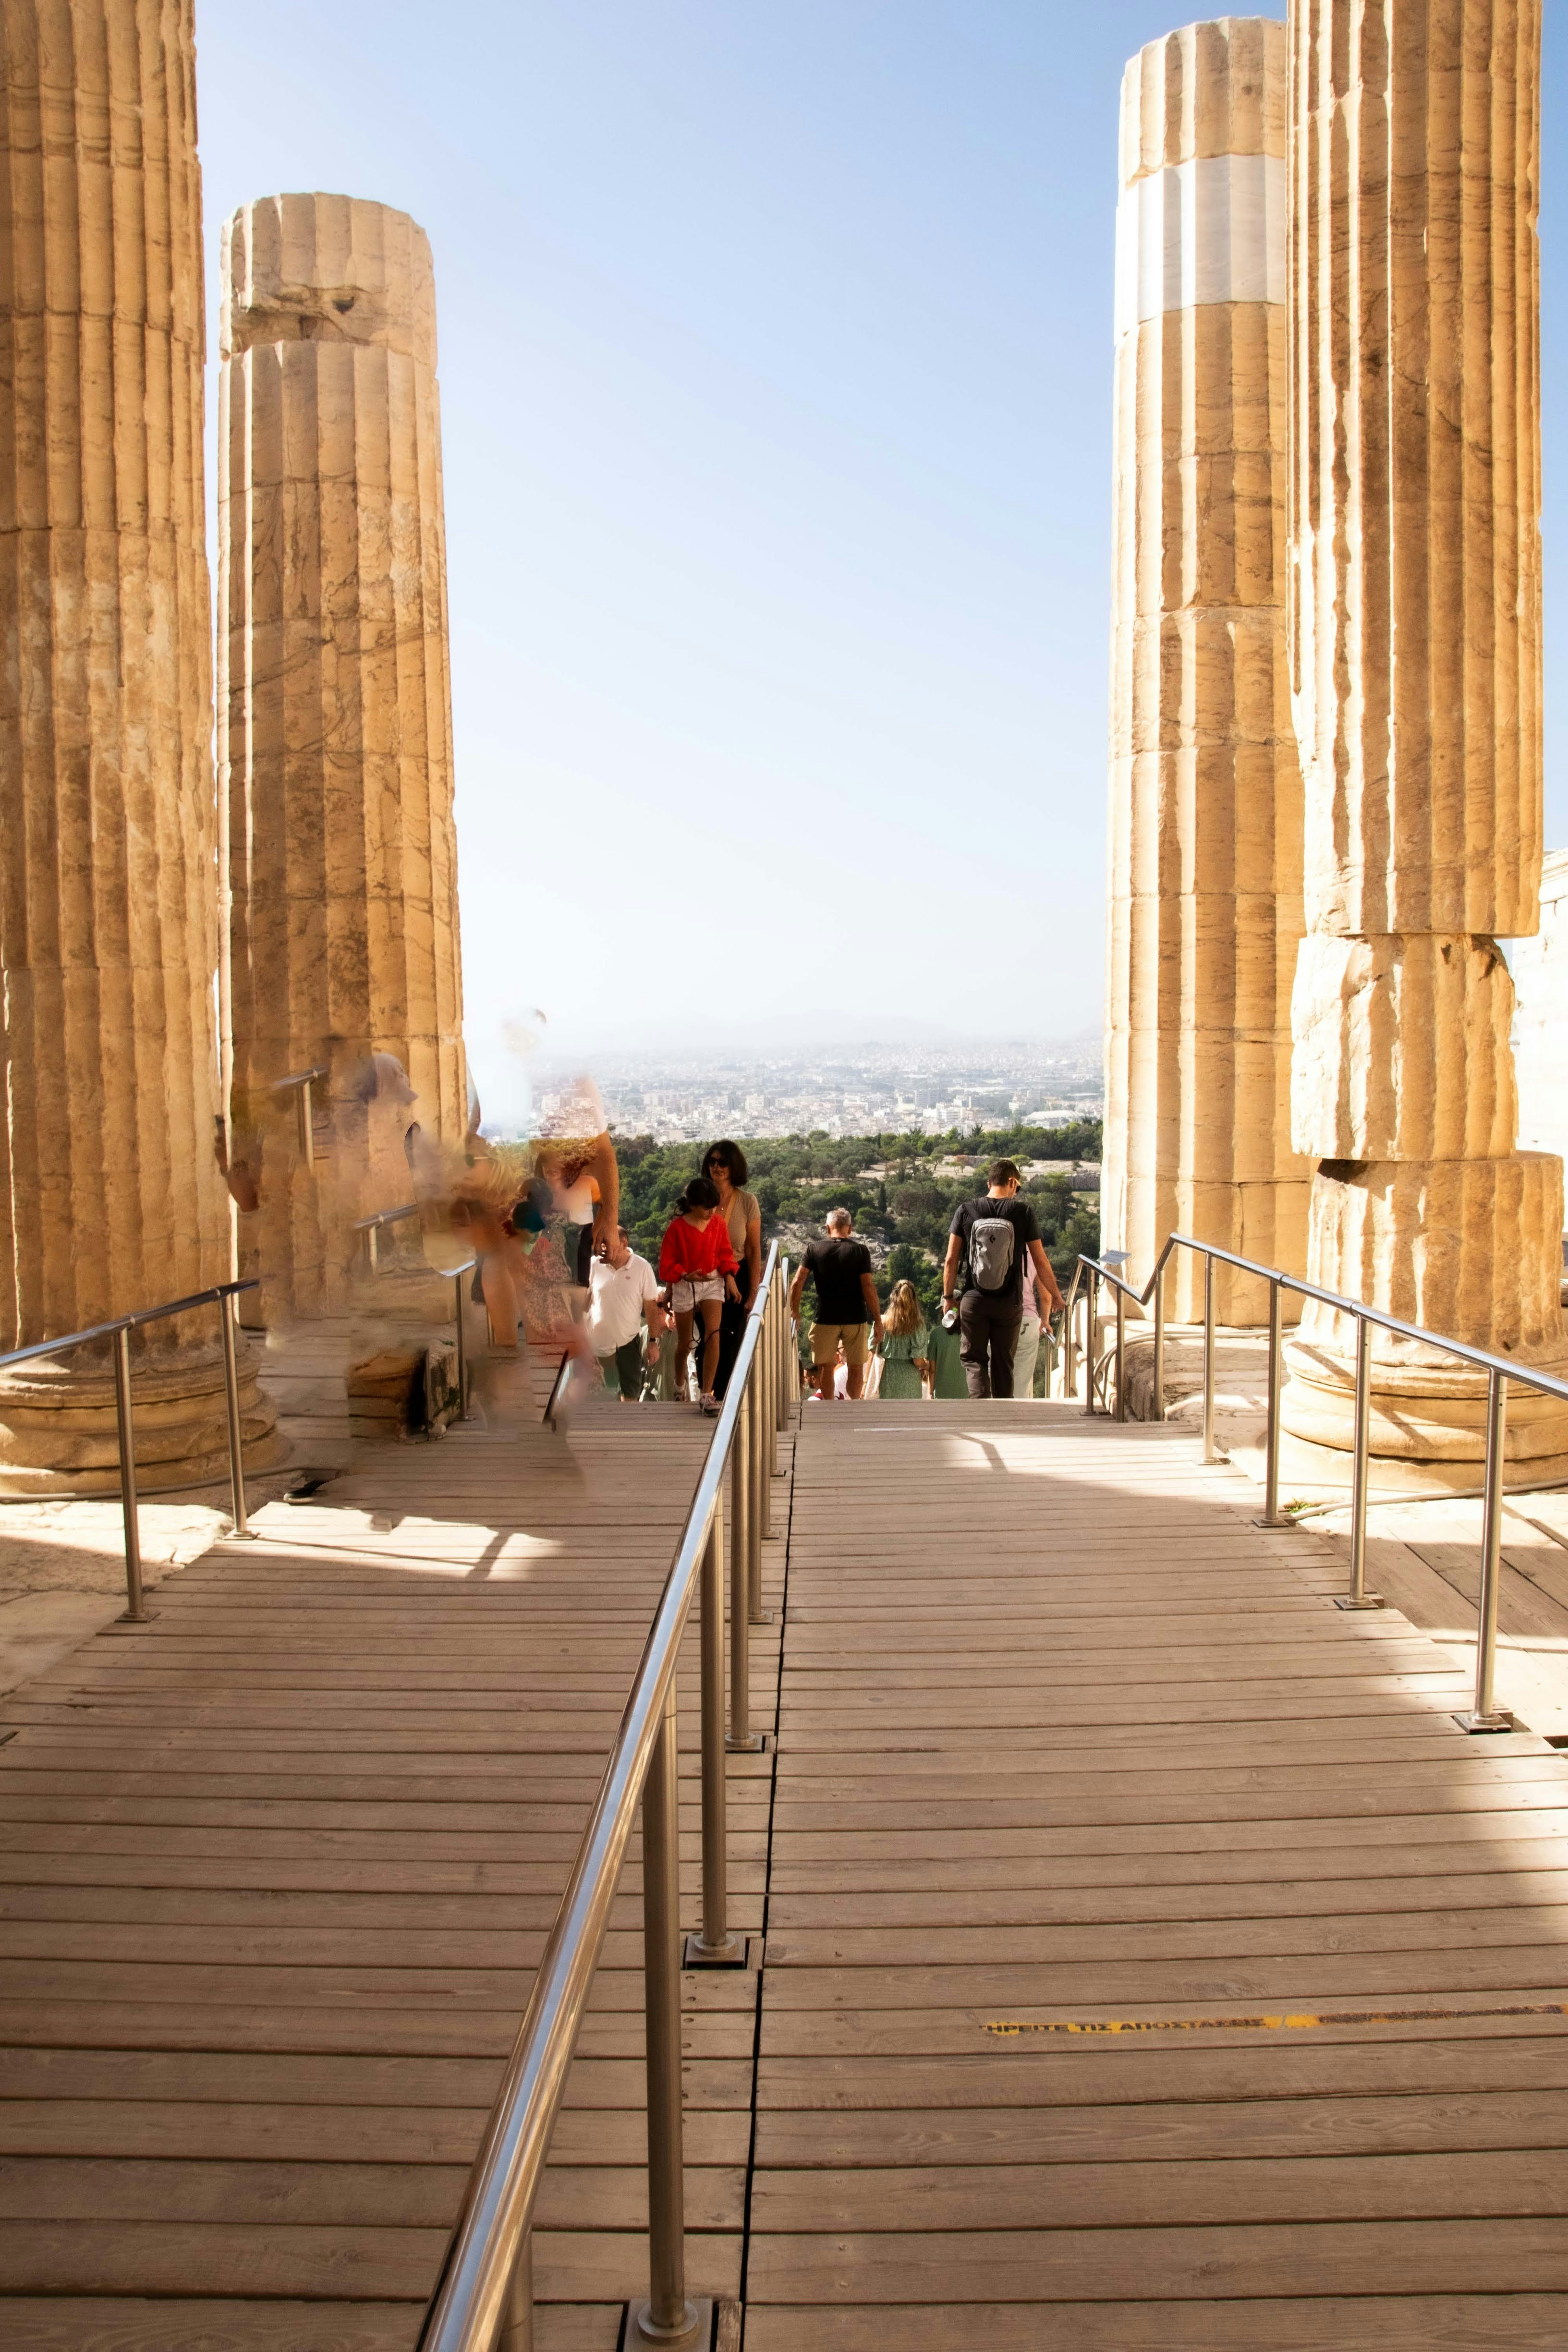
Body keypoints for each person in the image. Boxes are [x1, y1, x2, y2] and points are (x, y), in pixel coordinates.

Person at [942, 1159, 1066, 1399]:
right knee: (1003, 1363)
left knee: (975, 1360)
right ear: (1012, 1182)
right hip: (1010, 1302)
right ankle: (1001, 1417)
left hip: (974, 1300)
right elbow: (1041, 1261)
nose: (1016, 1193)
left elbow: (950, 1260)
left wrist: (948, 1297)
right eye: (1017, 1188)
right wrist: (1058, 1297)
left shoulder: (966, 1210)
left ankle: (980, 1411)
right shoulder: (1023, 1212)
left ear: (989, 1183)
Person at [658, 1176, 741, 1414]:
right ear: (693, 1205)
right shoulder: (677, 1228)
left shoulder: (717, 1224)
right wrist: (684, 1275)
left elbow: (726, 1254)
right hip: (686, 1283)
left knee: (713, 1335)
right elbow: (667, 1264)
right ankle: (679, 1385)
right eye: (707, 1207)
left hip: (713, 1281)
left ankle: (707, 1394)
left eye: (714, 1207)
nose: (711, 1212)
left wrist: (730, 1277)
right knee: (686, 1344)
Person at [789, 1207, 883, 1401]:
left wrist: (795, 1311)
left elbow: (797, 1282)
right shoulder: (860, 1251)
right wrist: (878, 1319)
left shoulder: (814, 1249)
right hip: (855, 1317)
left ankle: (829, 1407)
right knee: (856, 1366)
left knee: (825, 1366)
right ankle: (854, 1407)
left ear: (827, 1228)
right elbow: (868, 1287)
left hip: (825, 1317)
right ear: (850, 1228)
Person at [703, 1141, 762, 1399]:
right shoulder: (699, 1200)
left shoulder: (748, 1202)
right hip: (705, 1276)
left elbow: (753, 1249)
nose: (716, 1167)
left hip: (739, 1274)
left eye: (722, 1162)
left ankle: (724, 1395)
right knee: (710, 1336)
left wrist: (753, 1293)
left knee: (730, 1338)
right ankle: (709, 1393)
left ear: (733, 1166)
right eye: (712, 1162)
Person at [588, 1225, 667, 1403]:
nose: (603, 1248)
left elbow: (651, 1308)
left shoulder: (642, 1268)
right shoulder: (594, 1265)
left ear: (624, 1244)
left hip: (628, 1342)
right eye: (602, 1244)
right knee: (599, 1397)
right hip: (596, 1343)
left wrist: (653, 1343)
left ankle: (625, 1429)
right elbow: (585, 1300)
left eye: (607, 1244)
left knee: (630, 1396)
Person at [875, 1280, 931, 1399]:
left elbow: (871, 1354)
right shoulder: (918, 1326)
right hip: (910, 1382)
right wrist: (927, 1365)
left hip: (886, 1379)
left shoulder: (882, 1322)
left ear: (893, 1299)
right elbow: (918, 1361)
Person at [1010, 1251, 1052, 1401]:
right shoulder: (1034, 1252)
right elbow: (1046, 1296)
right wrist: (1045, 1320)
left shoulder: (994, 1244)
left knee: (994, 1377)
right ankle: (1018, 1420)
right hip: (1026, 1319)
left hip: (997, 1320)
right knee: (1021, 1383)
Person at [925, 1307, 968, 1399]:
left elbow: (932, 1369)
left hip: (942, 1394)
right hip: (965, 1392)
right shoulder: (968, 1333)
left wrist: (930, 1393)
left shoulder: (935, 1334)